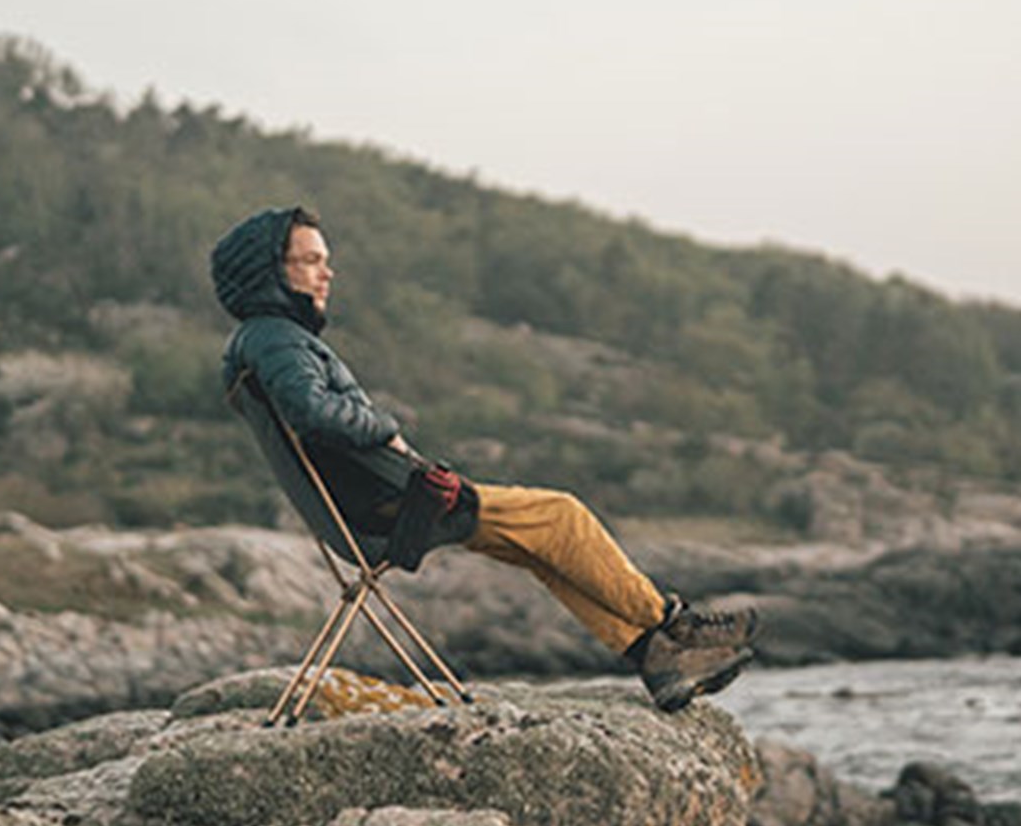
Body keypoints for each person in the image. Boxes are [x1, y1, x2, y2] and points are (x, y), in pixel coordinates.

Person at [211, 205, 757, 712]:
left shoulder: (264, 341)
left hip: (381, 504)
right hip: (398, 505)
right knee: (561, 516)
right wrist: (389, 427)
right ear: (269, 272)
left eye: (326, 262)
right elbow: (310, 412)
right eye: (309, 262)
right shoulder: (277, 340)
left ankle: (657, 663)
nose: (326, 274)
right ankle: (675, 625)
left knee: (540, 545)